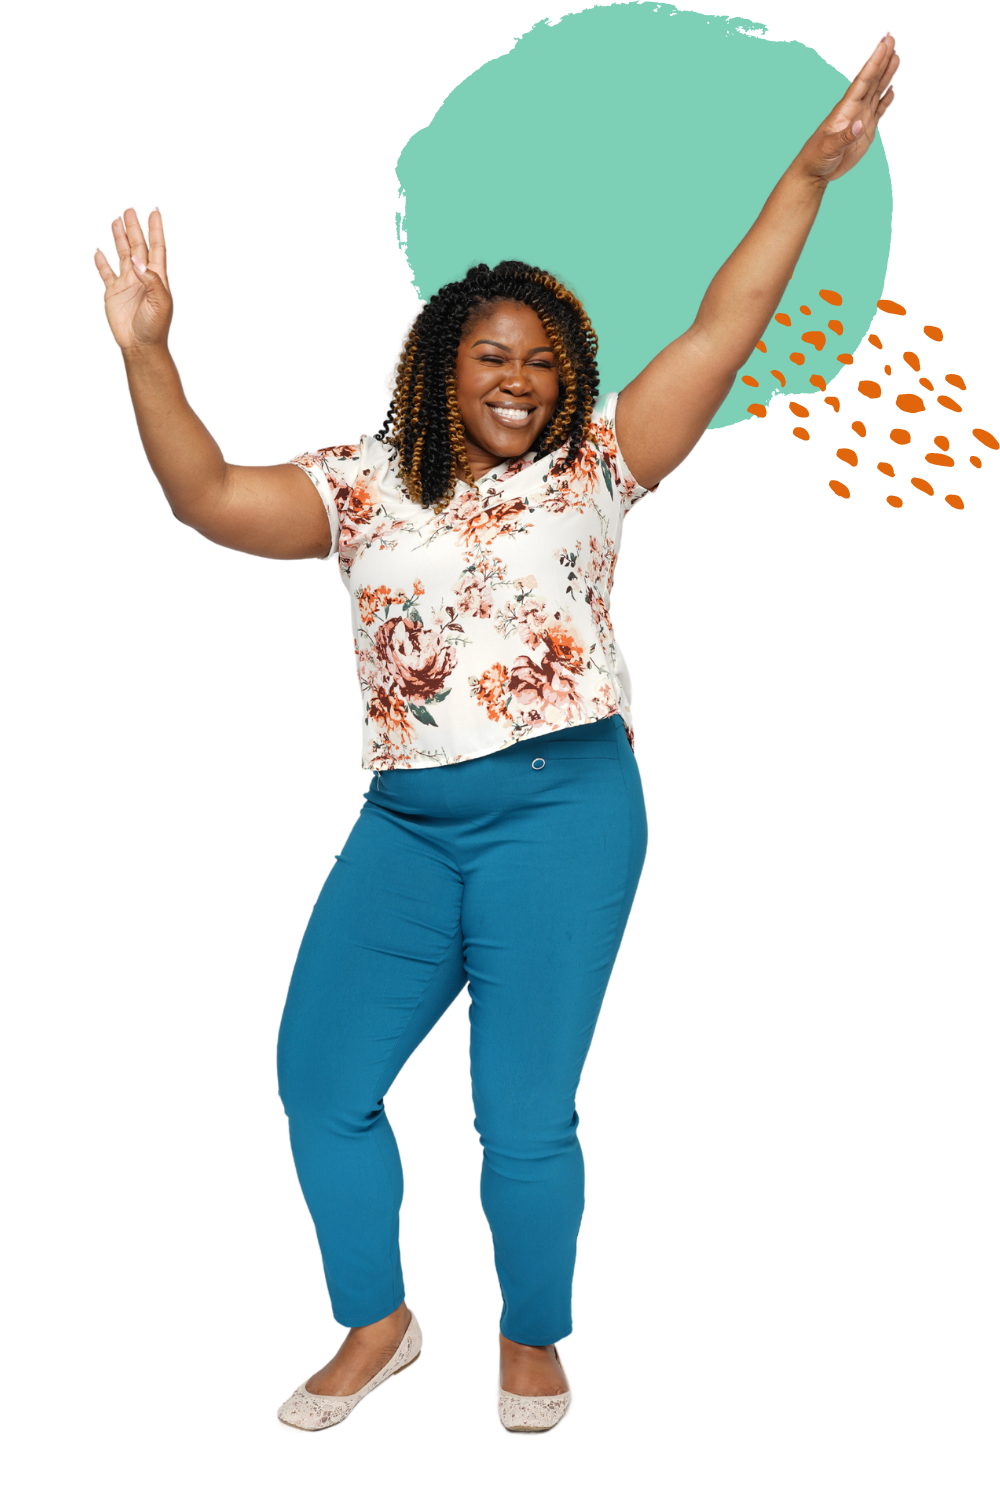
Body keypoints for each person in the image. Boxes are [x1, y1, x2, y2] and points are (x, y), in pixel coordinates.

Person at [94, 34, 900, 1438]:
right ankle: (378, 1324)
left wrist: (807, 177)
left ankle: (538, 1346)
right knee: (322, 1079)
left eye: (540, 358)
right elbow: (214, 495)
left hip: (560, 811)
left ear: (568, 374)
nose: (518, 376)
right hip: (406, 823)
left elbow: (724, 325)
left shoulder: (602, 464)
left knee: (522, 1119)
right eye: (490, 353)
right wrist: (150, 357)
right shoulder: (356, 487)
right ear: (436, 367)